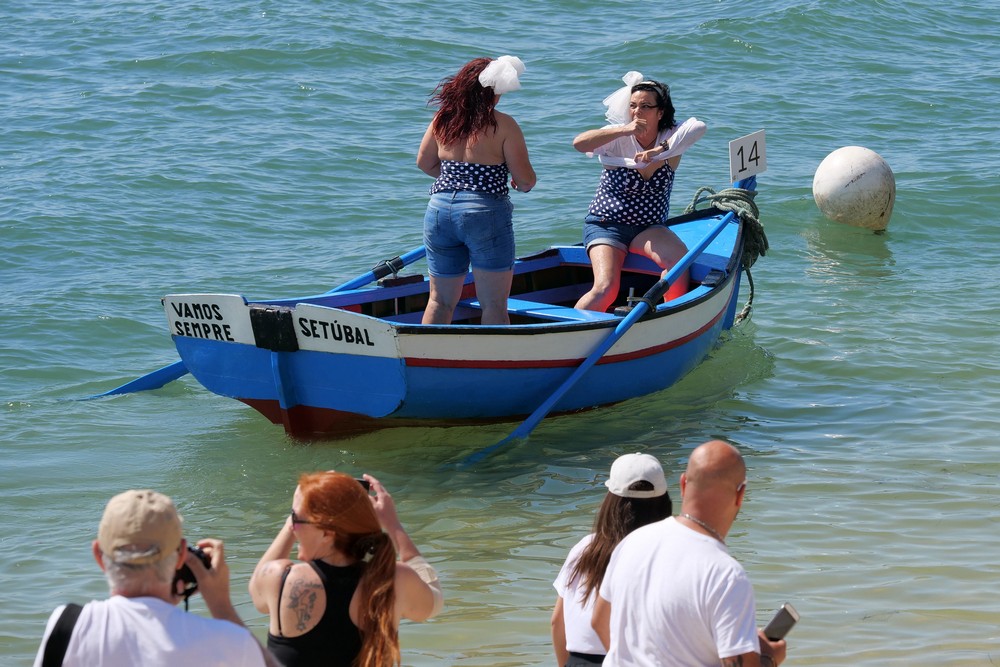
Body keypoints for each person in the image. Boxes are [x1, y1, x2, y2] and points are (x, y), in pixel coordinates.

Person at [592, 440, 788, 667]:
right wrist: (769, 658)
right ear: (740, 495)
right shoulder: (726, 575)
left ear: (683, 484)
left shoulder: (632, 542)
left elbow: (599, 621)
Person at [33, 489, 271, 667]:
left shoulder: (68, 626)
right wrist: (221, 606)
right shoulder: (229, 642)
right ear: (180, 557)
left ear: (98, 555)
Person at [249, 471, 443, 667]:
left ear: (327, 533)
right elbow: (435, 602)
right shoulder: (394, 579)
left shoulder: (279, 578)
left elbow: (257, 593)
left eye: (295, 519)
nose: (293, 527)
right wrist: (392, 524)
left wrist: (291, 522)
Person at [416, 55, 537, 325]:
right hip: (484, 213)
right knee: (493, 304)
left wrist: (456, 179)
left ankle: (427, 357)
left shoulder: (443, 119)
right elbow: (526, 180)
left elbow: (425, 163)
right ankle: (496, 364)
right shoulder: (504, 125)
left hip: (439, 210)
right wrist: (517, 183)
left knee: (440, 300)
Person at [572, 72, 706, 312]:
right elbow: (580, 143)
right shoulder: (617, 136)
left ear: (660, 112)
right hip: (606, 224)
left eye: (645, 106)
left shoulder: (670, 138)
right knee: (606, 288)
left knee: (679, 265)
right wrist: (625, 130)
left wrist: (657, 151)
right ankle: (572, 337)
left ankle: (670, 318)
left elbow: (698, 127)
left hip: (648, 228)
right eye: (633, 106)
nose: (637, 112)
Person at [551, 453, 673, 667]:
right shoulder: (665, 553)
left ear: (610, 502)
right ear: (664, 502)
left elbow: (556, 622)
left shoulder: (585, 548)